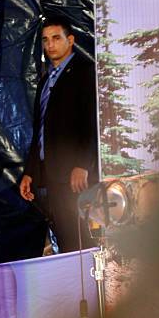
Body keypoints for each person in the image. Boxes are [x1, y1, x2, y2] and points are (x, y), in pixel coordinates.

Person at [20, 15, 98, 253]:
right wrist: (30, 172)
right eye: (45, 40)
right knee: (65, 236)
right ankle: (76, 286)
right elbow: (40, 129)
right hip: (52, 173)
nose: (50, 45)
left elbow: (93, 122)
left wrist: (82, 164)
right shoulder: (46, 80)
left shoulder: (85, 72)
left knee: (80, 235)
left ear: (70, 40)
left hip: (76, 175)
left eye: (56, 38)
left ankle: (93, 288)